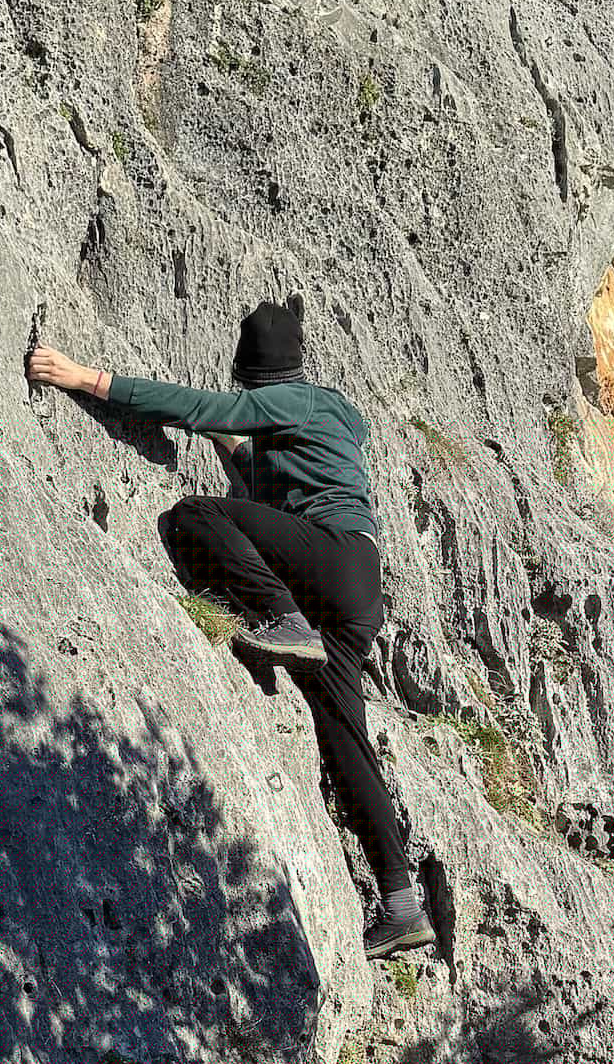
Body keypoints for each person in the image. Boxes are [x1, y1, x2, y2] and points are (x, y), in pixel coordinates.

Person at [26, 295, 443, 961]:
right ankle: (400, 904)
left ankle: (282, 616)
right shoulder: (324, 420)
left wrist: (85, 379)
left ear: (254, 376)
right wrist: (235, 451)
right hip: (355, 586)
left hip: (328, 563)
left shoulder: (298, 400)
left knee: (195, 516)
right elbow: (277, 486)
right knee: (345, 743)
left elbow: (205, 409)